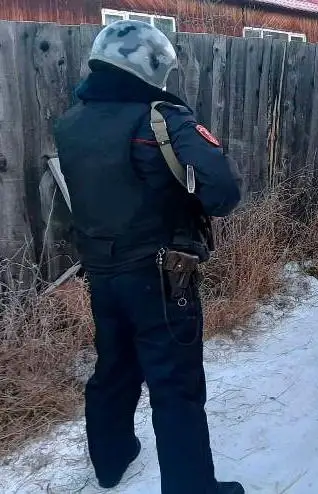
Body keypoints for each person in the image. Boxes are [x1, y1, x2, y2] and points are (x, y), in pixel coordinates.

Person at [53, 20, 244, 494]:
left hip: (101, 271)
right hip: (161, 274)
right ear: (151, 66)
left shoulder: (71, 121)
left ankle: (111, 460)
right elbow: (223, 194)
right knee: (175, 383)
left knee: (114, 367)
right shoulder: (162, 118)